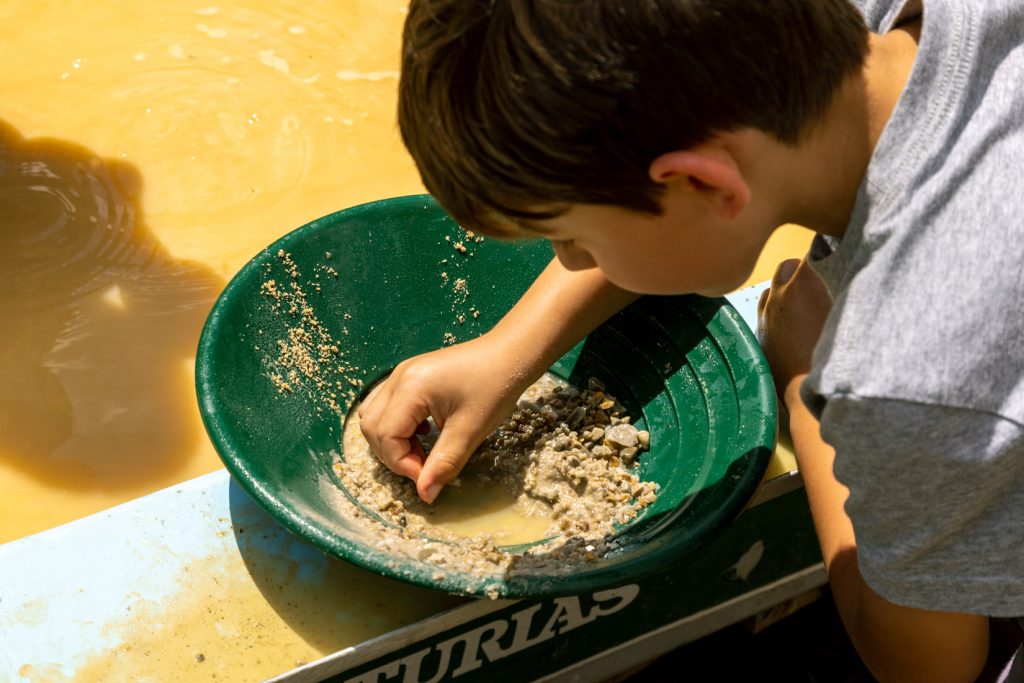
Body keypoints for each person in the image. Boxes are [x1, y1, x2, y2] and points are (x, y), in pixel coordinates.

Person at [357, 1, 1024, 679]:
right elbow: (675, 184)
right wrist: (505, 352)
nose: (573, 261)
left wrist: (806, 382)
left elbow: (928, 667)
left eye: (572, 238)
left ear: (702, 183)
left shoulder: (903, 377)